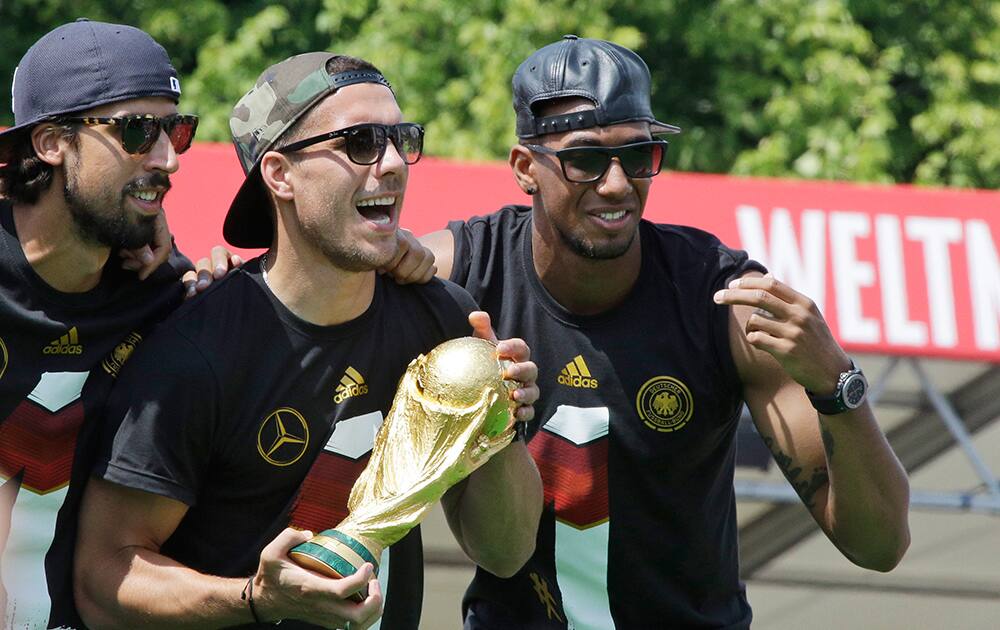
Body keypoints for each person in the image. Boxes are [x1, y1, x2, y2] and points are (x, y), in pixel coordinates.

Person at [418, 35, 911, 629]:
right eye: (587, 159)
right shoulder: (458, 278)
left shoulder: (724, 300)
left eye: (639, 154)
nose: (618, 184)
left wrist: (839, 383)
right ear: (526, 168)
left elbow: (879, 545)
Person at [71, 52, 543, 630]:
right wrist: (254, 598)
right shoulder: (195, 351)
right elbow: (103, 579)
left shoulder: (446, 318)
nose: (393, 163)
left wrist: (500, 424)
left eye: (401, 139)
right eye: (361, 142)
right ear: (279, 174)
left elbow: (505, 552)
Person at [0, 19, 243, 628]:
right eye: (137, 130)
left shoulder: (170, 300)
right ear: (52, 142)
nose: (168, 160)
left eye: (176, 130)